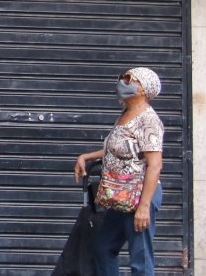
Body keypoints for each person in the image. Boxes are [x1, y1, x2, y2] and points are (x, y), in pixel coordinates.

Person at [74, 67, 164, 276]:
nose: (123, 82)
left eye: (130, 79)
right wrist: (87, 156)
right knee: (103, 247)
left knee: (140, 258)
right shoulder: (126, 114)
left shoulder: (148, 121)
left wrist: (144, 207)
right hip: (121, 196)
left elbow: (155, 164)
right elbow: (116, 148)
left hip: (139, 195)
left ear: (143, 89)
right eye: (123, 78)